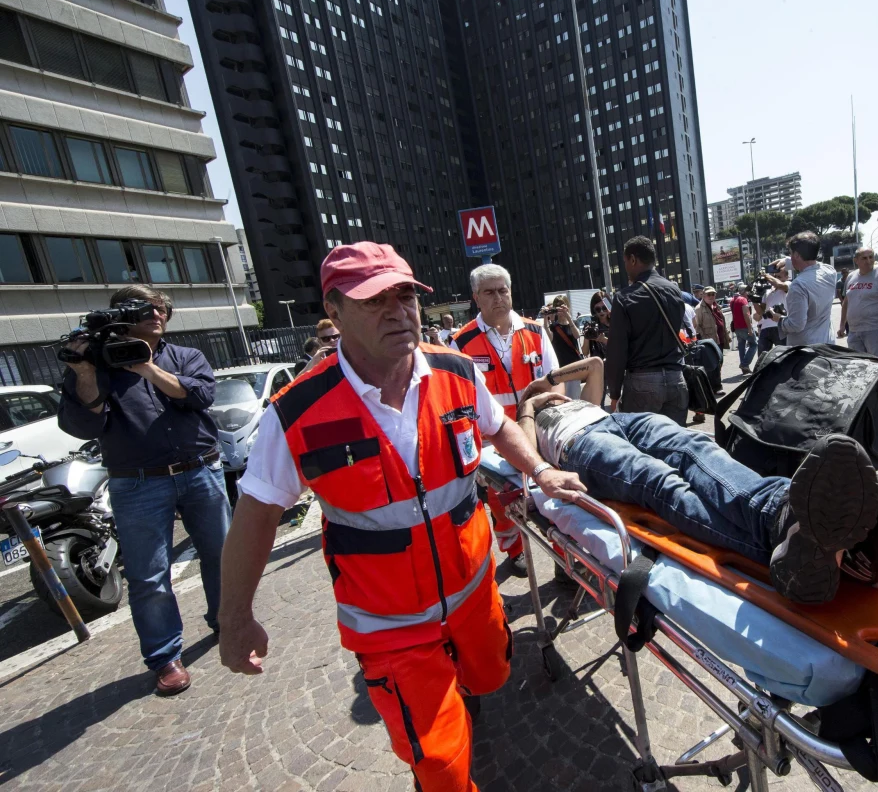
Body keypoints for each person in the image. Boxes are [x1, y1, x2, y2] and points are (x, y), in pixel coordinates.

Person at [218, 242, 584, 792]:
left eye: (406, 295)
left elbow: (499, 426)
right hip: (390, 624)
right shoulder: (295, 413)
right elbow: (255, 516)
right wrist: (236, 616)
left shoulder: (456, 373)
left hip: (473, 590)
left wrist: (539, 469)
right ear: (334, 313)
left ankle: (463, 688)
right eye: (376, 301)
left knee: (492, 673)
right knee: (438, 760)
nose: (399, 312)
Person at [516, 357, 878, 604]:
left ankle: (811, 527)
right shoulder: (529, 418)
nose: (552, 395)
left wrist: (549, 380)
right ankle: (784, 526)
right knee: (658, 480)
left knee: (696, 448)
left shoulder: (581, 398)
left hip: (614, 420)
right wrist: (530, 403)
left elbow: (597, 364)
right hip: (577, 445)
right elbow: (530, 456)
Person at [57, 284, 230, 696]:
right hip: (137, 482)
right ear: (121, 317)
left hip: (200, 470)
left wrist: (147, 368)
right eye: (144, 309)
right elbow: (82, 426)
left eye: (160, 308)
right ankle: (165, 657)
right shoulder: (95, 365)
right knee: (149, 575)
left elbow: (202, 395)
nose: (156, 314)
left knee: (222, 555)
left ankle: (227, 620)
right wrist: (85, 372)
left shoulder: (185, 356)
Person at [450, 264, 561, 577]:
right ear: (476, 298)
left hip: (537, 433)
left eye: (503, 290)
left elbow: (556, 381)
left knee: (551, 498)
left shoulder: (535, 331)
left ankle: (564, 561)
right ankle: (514, 551)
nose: (498, 297)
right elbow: (461, 401)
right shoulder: (461, 343)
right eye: (489, 292)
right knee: (503, 506)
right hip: (493, 445)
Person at [605, 236, 688, 425]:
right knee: (674, 446)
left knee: (642, 448)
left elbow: (617, 349)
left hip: (643, 382)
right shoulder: (674, 290)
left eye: (625, 262)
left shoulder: (625, 297)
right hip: (676, 379)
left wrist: (615, 392)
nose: (625, 267)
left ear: (633, 259)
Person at [768, 232, 837, 348]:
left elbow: (796, 325)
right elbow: (816, 265)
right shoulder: (830, 272)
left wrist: (778, 318)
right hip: (828, 343)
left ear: (796, 255)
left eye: (791, 253)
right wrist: (790, 261)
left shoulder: (798, 285)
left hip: (806, 350)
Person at [836, 248, 878, 359]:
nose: (869, 261)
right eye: (864, 258)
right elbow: (846, 302)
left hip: (874, 331)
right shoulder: (851, 277)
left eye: (871, 257)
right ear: (856, 260)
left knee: (876, 366)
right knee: (858, 367)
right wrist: (842, 325)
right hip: (854, 331)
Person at [543, 294, 584, 398]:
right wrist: (545, 319)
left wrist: (568, 317)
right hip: (560, 367)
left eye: (562, 306)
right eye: (557, 306)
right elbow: (549, 338)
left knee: (575, 398)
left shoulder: (573, 323)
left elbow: (577, 335)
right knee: (563, 398)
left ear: (567, 306)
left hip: (574, 366)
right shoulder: (553, 326)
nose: (560, 309)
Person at [754, 262, 790, 355]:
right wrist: (752, 299)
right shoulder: (768, 291)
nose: (776, 279)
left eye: (779, 277)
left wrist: (765, 275)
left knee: (784, 356)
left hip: (780, 326)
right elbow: (760, 312)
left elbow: (779, 285)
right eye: (775, 276)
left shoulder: (788, 284)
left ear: (786, 277)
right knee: (762, 359)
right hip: (765, 327)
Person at [730, 283, 756, 374]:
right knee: (754, 344)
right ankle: (745, 364)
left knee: (741, 347)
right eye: (748, 291)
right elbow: (746, 314)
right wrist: (749, 328)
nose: (749, 293)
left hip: (737, 328)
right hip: (745, 327)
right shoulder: (743, 300)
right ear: (744, 292)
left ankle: (744, 368)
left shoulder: (733, 300)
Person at [694, 287, 730, 352]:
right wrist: (705, 341)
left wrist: (726, 334)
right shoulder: (699, 309)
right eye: (709, 294)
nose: (711, 296)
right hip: (710, 342)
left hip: (720, 339)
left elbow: (721, 321)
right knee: (714, 361)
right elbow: (697, 326)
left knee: (720, 360)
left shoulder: (717, 306)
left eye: (713, 294)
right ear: (704, 295)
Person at [583, 291, 611, 361]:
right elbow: (585, 352)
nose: (601, 311)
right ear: (594, 310)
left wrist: (604, 340)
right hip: (598, 366)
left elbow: (621, 346)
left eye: (604, 308)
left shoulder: (616, 324)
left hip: (615, 364)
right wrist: (587, 336)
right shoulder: (591, 325)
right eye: (598, 309)